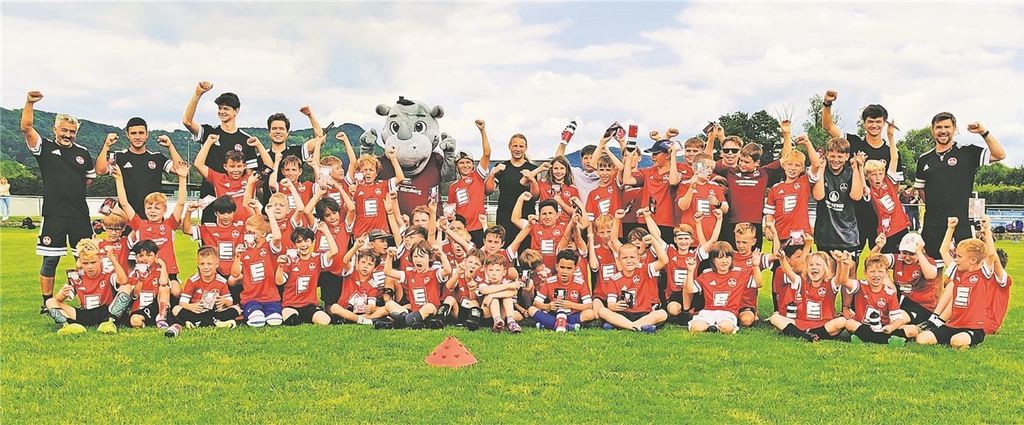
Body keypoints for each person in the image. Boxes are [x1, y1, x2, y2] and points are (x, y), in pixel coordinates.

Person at [20, 90, 96, 312]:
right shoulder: (44, 147)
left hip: (80, 215)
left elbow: (89, 180)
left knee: (86, 260)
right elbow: (26, 127)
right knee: (51, 260)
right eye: (64, 130)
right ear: (55, 130)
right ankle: (47, 302)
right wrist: (29, 103)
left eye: (72, 131)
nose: (68, 134)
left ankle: (89, 299)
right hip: (54, 214)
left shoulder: (83, 153)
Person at [914, 112, 1005, 264]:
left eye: (947, 127)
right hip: (933, 223)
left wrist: (983, 132)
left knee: (968, 269)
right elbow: (921, 189)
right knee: (934, 271)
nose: (943, 131)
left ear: (954, 129)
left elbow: (999, 154)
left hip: (963, 222)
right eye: (939, 127)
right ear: (932, 130)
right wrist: (935, 207)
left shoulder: (967, 152)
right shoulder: (924, 159)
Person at [823, 90, 905, 253]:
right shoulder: (853, 142)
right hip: (854, 213)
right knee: (852, 259)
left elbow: (895, 187)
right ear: (864, 123)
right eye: (870, 121)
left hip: (882, 216)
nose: (874, 125)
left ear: (884, 123)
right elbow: (829, 126)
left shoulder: (892, 152)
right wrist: (827, 104)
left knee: (886, 260)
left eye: (878, 121)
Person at [915, 217, 1007, 348]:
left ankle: (965, 340)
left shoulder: (983, 274)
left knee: (957, 341)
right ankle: (944, 330)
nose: (956, 259)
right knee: (922, 338)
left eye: (959, 256)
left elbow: (991, 255)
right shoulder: (957, 272)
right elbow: (943, 251)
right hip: (953, 325)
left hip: (973, 328)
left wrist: (987, 229)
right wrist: (950, 228)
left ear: (973, 260)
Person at [113, 159, 189, 309]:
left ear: (164, 210)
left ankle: (167, 311)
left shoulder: (169, 224)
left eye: (157, 207)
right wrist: (119, 179)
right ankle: (128, 309)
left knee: (176, 290)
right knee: (131, 290)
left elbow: (181, 203)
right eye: (149, 207)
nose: (152, 210)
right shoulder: (139, 224)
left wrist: (182, 178)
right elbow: (124, 203)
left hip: (168, 272)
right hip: (145, 272)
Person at [182, 81, 260, 223]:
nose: (222, 111)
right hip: (211, 195)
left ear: (236, 111)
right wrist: (197, 94)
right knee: (210, 238)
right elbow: (187, 121)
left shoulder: (246, 140)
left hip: (236, 198)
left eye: (226, 108)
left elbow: (249, 175)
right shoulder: (210, 132)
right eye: (219, 108)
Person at [95, 118, 184, 216]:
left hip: (152, 217)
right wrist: (106, 146)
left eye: (141, 133)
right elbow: (100, 170)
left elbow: (180, 169)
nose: (137, 137)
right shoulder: (119, 157)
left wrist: (170, 146)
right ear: (127, 135)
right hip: (127, 217)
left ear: (147, 135)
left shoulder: (157, 157)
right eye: (133, 133)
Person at [44, 239, 132, 335]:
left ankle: (110, 322)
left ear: (100, 260)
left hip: (106, 311)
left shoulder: (108, 272)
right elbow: (57, 301)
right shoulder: (76, 276)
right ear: (80, 262)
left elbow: (124, 281)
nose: (90, 267)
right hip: (84, 314)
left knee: (126, 287)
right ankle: (67, 325)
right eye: (85, 263)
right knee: (49, 301)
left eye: (93, 262)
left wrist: (112, 259)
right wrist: (62, 293)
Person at [684, 241, 762, 334]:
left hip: (728, 313)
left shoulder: (739, 273)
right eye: (720, 257)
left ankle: (713, 328)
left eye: (727, 257)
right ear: (713, 259)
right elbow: (690, 289)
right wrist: (690, 271)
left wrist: (756, 266)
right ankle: (712, 327)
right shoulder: (706, 273)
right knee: (696, 328)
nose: (724, 261)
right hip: (708, 311)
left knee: (726, 327)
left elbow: (758, 284)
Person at [812, 138, 865, 271]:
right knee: (827, 277)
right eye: (833, 156)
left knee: (848, 277)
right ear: (827, 154)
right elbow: (818, 196)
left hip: (848, 236)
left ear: (847, 156)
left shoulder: (851, 173)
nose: (836, 160)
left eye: (840, 156)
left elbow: (856, 196)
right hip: (825, 235)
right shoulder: (821, 171)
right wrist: (821, 169)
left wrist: (857, 169)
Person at [595, 237, 669, 333]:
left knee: (662, 313)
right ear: (619, 259)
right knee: (602, 311)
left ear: (638, 259)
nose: (629, 261)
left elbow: (664, 261)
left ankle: (625, 326)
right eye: (625, 258)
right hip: (624, 313)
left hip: (643, 313)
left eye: (632, 257)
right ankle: (639, 327)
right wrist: (614, 306)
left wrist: (653, 242)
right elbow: (610, 304)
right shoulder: (614, 279)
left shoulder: (644, 270)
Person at [769, 250, 847, 342]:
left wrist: (840, 261)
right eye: (811, 265)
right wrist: (782, 259)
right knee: (775, 318)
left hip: (824, 324)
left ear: (826, 269)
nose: (814, 267)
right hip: (802, 323)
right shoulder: (802, 283)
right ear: (806, 269)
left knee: (842, 321)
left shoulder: (831, 284)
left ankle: (809, 333)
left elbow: (841, 278)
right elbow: (788, 271)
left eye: (818, 264)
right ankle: (803, 335)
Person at [839, 252, 910, 346]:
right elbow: (843, 281)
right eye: (872, 272)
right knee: (849, 323)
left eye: (880, 271)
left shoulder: (890, 293)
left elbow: (898, 319)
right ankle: (884, 340)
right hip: (862, 326)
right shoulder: (860, 285)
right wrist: (845, 265)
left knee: (911, 330)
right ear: (865, 273)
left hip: (882, 328)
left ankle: (864, 338)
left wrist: (890, 328)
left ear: (886, 274)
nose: (876, 275)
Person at [260, 107, 326, 209]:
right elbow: (258, 186)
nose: (278, 131)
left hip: (296, 210)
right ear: (269, 132)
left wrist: (310, 115)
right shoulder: (261, 156)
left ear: (287, 133)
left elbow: (320, 139)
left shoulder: (296, 151)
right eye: (274, 128)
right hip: (271, 213)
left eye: (281, 129)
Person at [276, 225, 338, 326]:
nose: (303, 244)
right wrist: (280, 266)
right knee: (292, 321)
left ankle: (310, 316)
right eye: (299, 242)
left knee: (325, 321)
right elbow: (279, 281)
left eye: (306, 240)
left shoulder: (317, 258)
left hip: (309, 305)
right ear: (295, 244)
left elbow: (334, 251)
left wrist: (326, 231)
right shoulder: (290, 259)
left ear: (312, 242)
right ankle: (295, 316)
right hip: (291, 304)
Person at [194, 132, 273, 212]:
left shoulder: (251, 179)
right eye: (232, 166)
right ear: (225, 167)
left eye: (239, 166)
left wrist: (259, 145)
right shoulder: (218, 178)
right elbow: (198, 164)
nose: (236, 170)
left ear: (244, 166)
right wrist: (208, 142)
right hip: (225, 223)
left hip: (248, 223)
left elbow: (269, 167)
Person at [622, 138, 680, 243]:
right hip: (645, 221)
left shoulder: (675, 171)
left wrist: (674, 155)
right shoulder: (649, 171)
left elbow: (673, 182)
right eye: (652, 154)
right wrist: (629, 157)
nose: (652, 157)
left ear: (667, 155)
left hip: (666, 222)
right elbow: (627, 180)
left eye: (656, 154)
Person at [230, 214, 284, 327]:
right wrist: (237, 256)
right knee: (257, 321)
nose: (248, 235)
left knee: (275, 321)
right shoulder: (244, 250)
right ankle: (250, 312)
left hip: (270, 297)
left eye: (251, 232)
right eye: (247, 232)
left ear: (263, 234)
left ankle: (266, 312)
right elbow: (235, 274)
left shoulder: (269, 247)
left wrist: (271, 214)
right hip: (251, 297)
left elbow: (277, 237)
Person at [763, 137, 820, 243]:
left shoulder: (804, 182)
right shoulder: (775, 188)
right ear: (784, 166)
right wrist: (768, 227)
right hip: (781, 236)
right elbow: (769, 213)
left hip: (801, 236)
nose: (793, 168)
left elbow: (816, 165)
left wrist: (808, 144)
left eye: (797, 165)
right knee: (780, 259)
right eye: (789, 164)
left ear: (802, 168)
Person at [486, 133, 538, 247]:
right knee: (504, 253)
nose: (518, 149)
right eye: (515, 146)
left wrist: (532, 180)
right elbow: (488, 191)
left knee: (526, 254)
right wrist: (492, 174)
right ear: (509, 147)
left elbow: (535, 196)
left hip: (525, 216)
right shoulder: (502, 167)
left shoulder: (532, 169)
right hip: (505, 217)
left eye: (521, 146)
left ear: (526, 148)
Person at [171, 246, 241, 329]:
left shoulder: (221, 281)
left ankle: (197, 322)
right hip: (197, 312)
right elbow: (182, 303)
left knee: (237, 308)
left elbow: (230, 302)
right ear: (198, 265)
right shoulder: (192, 280)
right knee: (176, 309)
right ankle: (215, 322)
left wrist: (224, 301)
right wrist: (191, 306)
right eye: (202, 264)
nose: (205, 267)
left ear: (217, 265)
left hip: (215, 312)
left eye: (209, 264)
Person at [528, 250, 596, 331]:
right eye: (562, 267)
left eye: (569, 268)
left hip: (571, 315)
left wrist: (570, 305)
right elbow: (536, 303)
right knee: (531, 309)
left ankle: (550, 325)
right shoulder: (549, 281)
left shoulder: (580, 282)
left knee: (590, 314)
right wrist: (548, 306)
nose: (564, 271)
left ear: (575, 269)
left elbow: (589, 305)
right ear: (557, 267)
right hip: (553, 315)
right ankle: (568, 326)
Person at [448, 119, 491, 246]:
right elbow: (451, 212)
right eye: (461, 162)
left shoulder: (478, 176)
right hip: (462, 230)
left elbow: (487, 154)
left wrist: (482, 130)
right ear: (456, 166)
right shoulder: (453, 187)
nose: (465, 165)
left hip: (478, 227)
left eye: (468, 162)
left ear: (473, 165)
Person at [863, 154, 911, 254]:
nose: (878, 177)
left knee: (904, 261)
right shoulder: (869, 191)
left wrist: (891, 138)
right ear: (867, 177)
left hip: (901, 227)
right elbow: (863, 185)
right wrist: (859, 166)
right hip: (886, 233)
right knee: (884, 262)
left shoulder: (889, 182)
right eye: (873, 174)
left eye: (880, 174)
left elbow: (894, 158)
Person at [554, 121, 601, 201]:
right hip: (580, 211)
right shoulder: (577, 173)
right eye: (586, 158)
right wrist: (563, 142)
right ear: (581, 160)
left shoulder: (604, 174)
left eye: (592, 158)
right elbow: (559, 161)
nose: (589, 161)